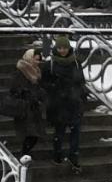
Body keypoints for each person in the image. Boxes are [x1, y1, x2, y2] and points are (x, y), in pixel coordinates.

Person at [44, 34, 86, 170]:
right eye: (60, 48)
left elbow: (81, 81)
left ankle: (74, 156)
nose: (63, 50)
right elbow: (44, 84)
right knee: (59, 132)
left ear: (69, 48)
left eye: (65, 48)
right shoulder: (50, 64)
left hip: (74, 103)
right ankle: (57, 155)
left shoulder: (76, 63)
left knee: (75, 132)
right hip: (59, 104)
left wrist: (81, 96)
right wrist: (56, 86)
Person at [5, 47, 46, 157]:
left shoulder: (36, 72)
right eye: (35, 59)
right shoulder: (20, 71)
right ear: (29, 58)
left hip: (33, 108)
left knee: (34, 135)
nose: (37, 62)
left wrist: (39, 94)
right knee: (30, 133)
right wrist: (27, 93)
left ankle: (23, 154)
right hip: (24, 107)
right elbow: (15, 89)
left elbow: (37, 88)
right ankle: (23, 154)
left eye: (38, 60)